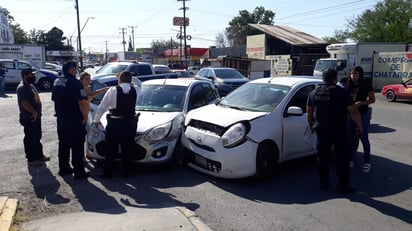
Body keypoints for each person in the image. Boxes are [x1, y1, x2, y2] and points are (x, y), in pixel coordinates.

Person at [307, 69, 362, 193]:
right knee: (343, 157)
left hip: (322, 129)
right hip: (339, 129)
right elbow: (353, 111)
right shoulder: (341, 92)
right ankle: (343, 185)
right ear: (335, 79)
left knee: (323, 157)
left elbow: (309, 110)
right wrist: (359, 126)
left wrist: (311, 124)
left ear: (323, 79)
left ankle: (324, 183)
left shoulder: (314, 92)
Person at [93, 71, 141, 178]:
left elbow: (102, 106)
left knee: (111, 149)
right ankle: (126, 172)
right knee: (127, 149)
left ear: (119, 79)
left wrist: (96, 120)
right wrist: (130, 77)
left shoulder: (113, 90)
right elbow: (139, 83)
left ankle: (108, 172)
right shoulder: (136, 89)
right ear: (130, 79)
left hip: (115, 123)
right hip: (129, 123)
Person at [51, 61, 90, 179]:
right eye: (76, 68)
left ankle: (64, 168)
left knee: (63, 144)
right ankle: (79, 171)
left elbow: (54, 99)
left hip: (62, 119)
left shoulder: (57, 81)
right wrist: (85, 117)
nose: (77, 70)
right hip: (75, 119)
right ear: (71, 69)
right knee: (77, 146)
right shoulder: (75, 83)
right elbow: (82, 102)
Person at [16, 67, 50, 166]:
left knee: (37, 136)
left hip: (36, 116)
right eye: (31, 75)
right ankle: (31, 159)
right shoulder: (22, 87)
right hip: (29, 117)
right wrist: (34, 112)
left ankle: (39, 155)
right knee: (30, 138)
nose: (33, 76)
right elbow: (25, 103)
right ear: (25, 76)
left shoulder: (30, 85)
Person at [346, 66, 375, 172]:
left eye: (356, 74)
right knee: (351, 138)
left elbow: (372, 100)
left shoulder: (366, 84)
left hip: (362, 114)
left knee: (364, 138)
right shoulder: (348, 84)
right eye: (352, 73)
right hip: (350, 115)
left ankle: (367, 162)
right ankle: (351, 158)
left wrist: (361, 103)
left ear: (360, 74)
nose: (353, 76)